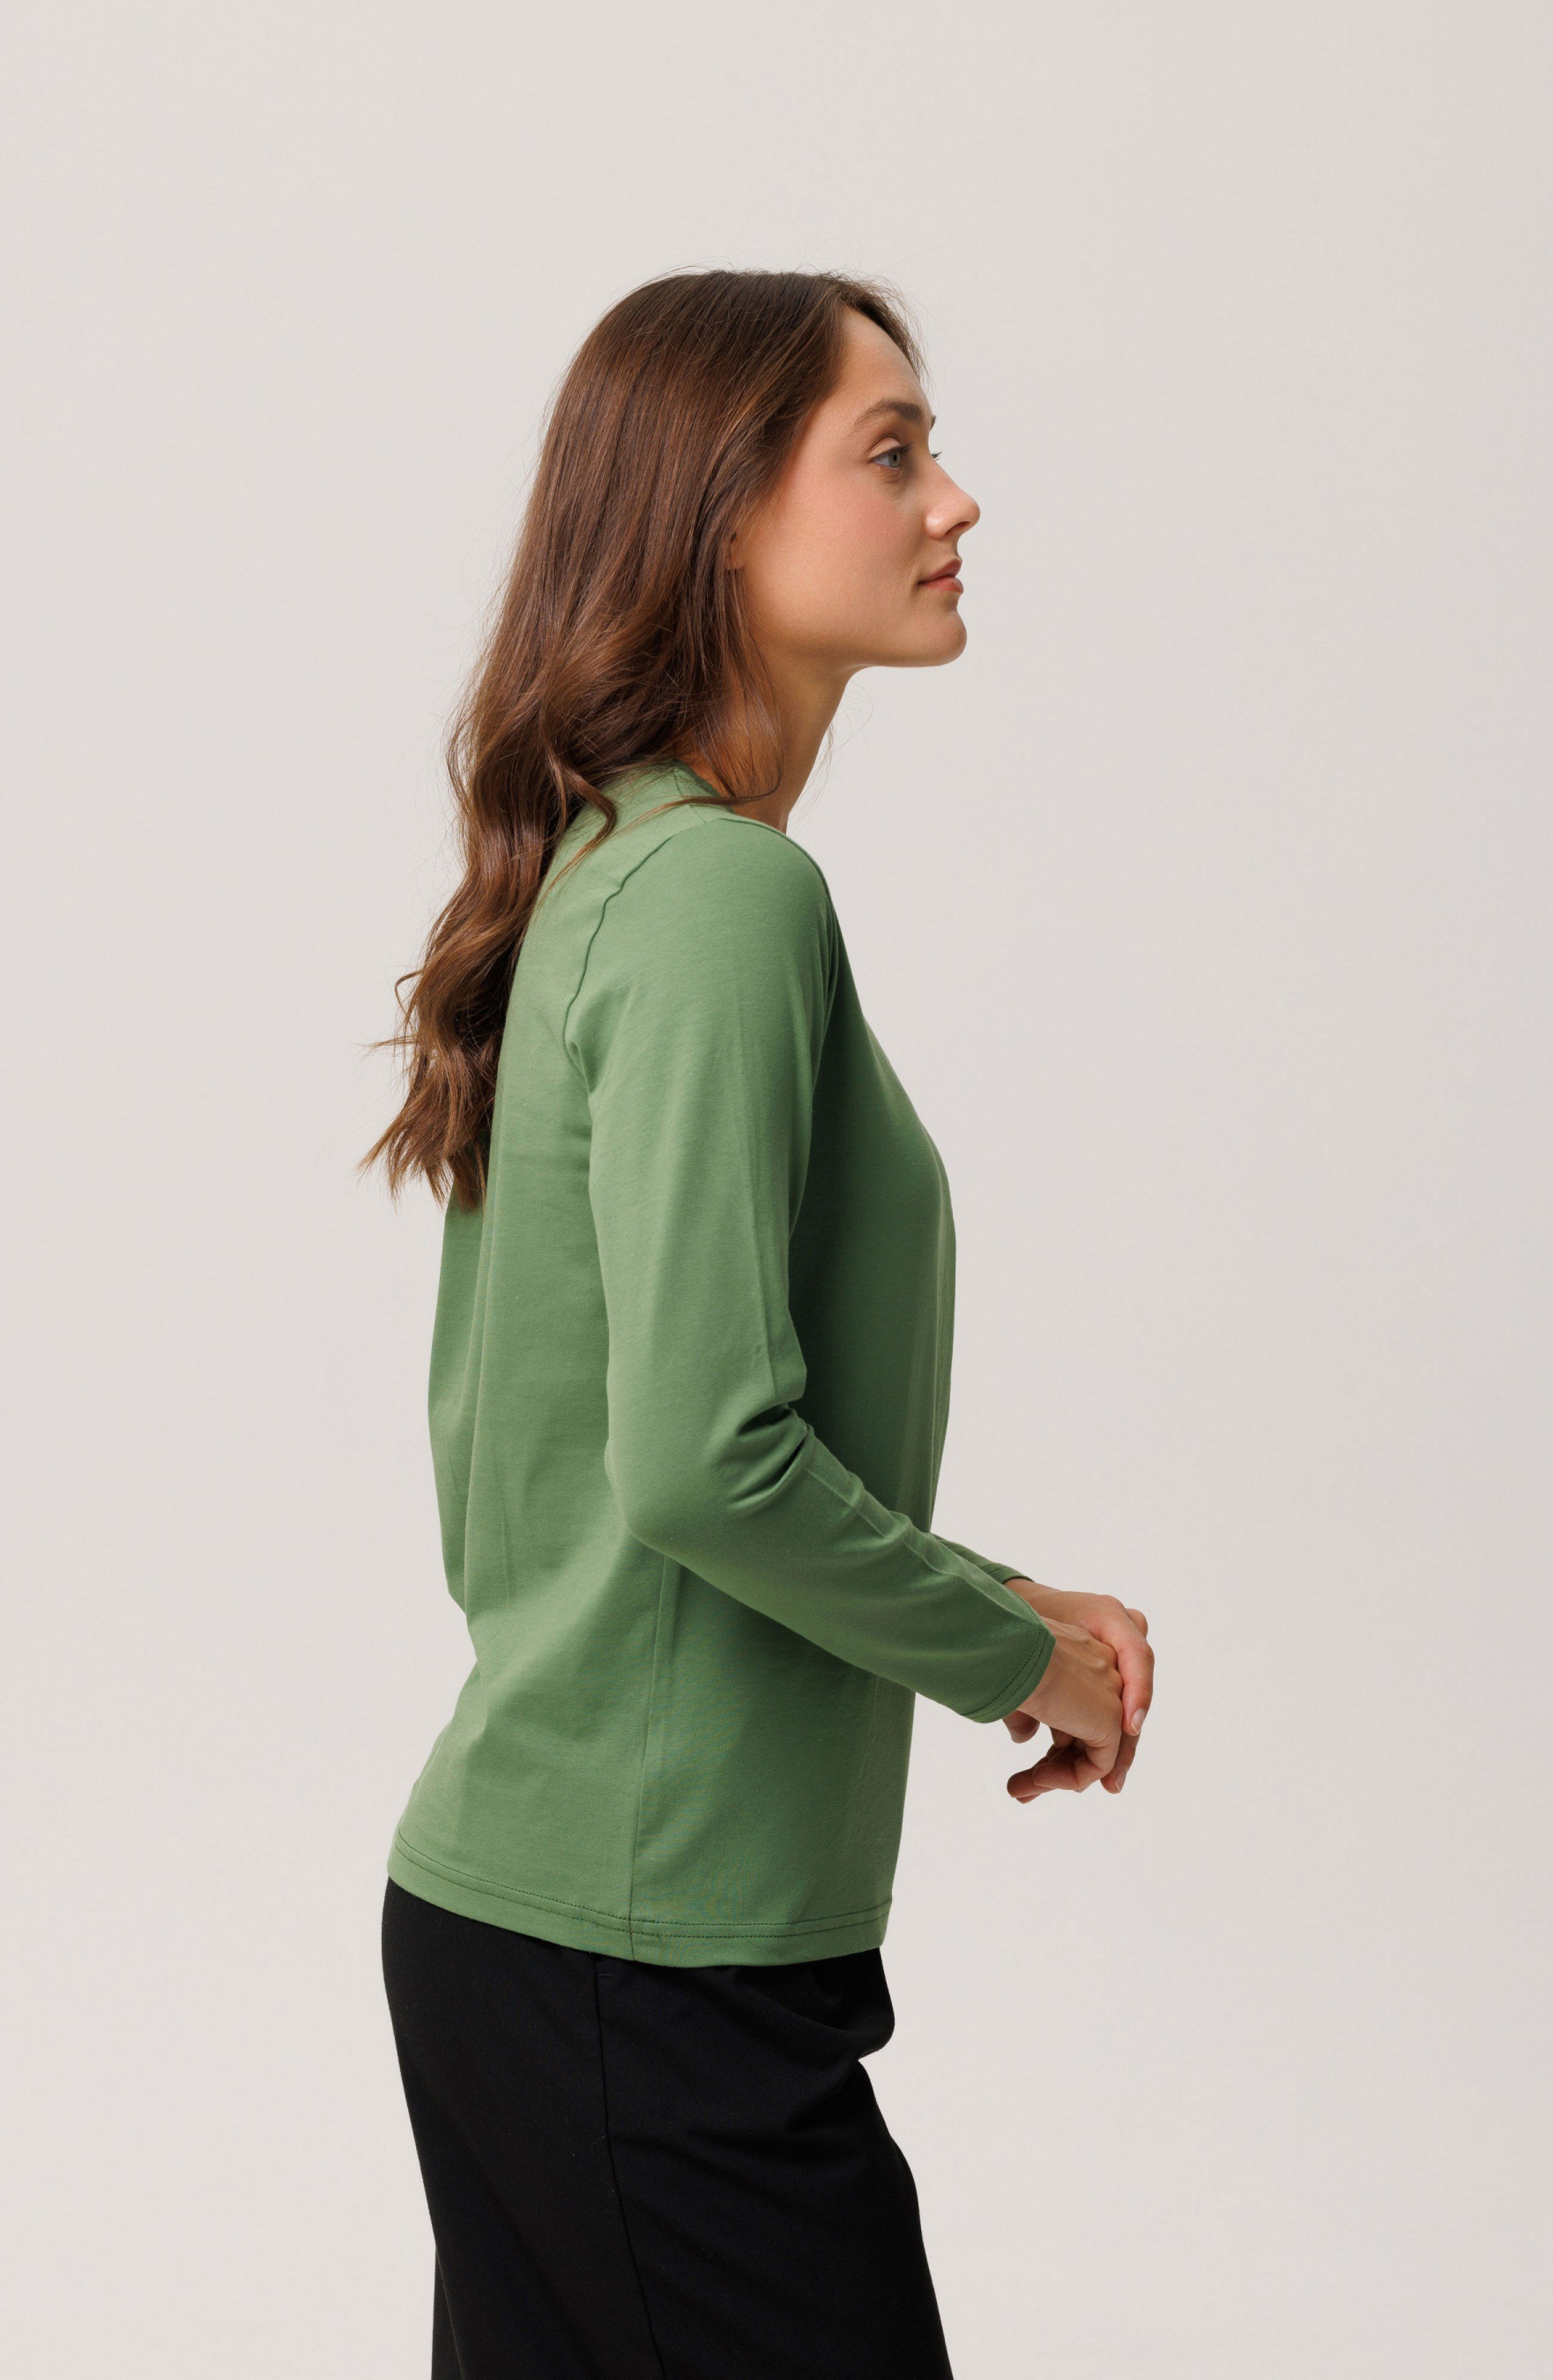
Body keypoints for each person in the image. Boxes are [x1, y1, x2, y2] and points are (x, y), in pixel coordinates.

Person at [361, 267, 1157, 2380]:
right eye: (889, 453)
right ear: (722, 517)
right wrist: (1016, 1658)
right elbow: (705, 1463)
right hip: (641, 1968)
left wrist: (992, 1594)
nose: (951, 500)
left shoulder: (617, 867)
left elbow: (633, 1458)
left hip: (562, 1933)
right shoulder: (719, 895)